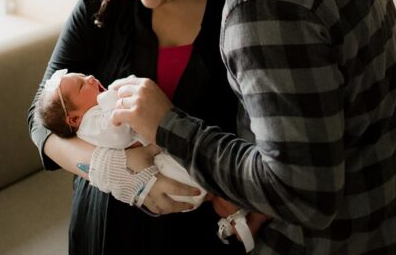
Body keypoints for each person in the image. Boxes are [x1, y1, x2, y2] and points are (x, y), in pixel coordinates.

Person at [27, 0, 396, 255]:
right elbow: (41, 122)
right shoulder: (101, 7)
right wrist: (121, 176)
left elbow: (296, 126)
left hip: (205, 233)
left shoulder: (239, 10)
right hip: (111, 228)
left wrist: (395, 115)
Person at [37, 68, 263, 251]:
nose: (90, 77)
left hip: (171, 180)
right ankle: (231, 207)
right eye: (81, 84)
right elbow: (38, 124)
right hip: (144, 191)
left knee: (200, 176)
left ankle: (233, 210)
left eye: (84, 76)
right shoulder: (91, 123)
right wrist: (110, 167)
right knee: (195, 179)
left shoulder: (93, 114)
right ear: (74, 118)